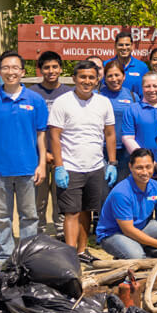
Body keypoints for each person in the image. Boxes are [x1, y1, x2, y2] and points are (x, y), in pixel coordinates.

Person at [0, 51, 48, 268]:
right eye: (6, 68)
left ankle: (26, 257)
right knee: (1, 217)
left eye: (15, 68)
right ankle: (4, 257)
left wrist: (42, 164)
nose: (10, 72)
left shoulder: (35, 100)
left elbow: (41, 135)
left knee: (29, 216)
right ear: (0, 72)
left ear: (22, 72)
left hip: (28, 169)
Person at [48, 61, 118, 264]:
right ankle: (70, 256)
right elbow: (54, 136)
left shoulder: (103, 102)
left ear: (97, 80)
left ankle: (82, 250)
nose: (86, 81)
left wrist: (111, 163)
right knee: (71, 212)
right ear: (74, 79)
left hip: (95, 166)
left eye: (91, 77)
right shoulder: (62, 102)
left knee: (87, 210)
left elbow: (110, 133)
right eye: (82, 77)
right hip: (70, 167)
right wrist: (59, 166)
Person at [95, 149, 157, 259]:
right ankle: (126, 250)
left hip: (140, 228)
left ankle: (135, 247)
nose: (145, 172)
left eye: (148, 167)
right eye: (139, 168)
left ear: (154, 165)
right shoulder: (121, 192)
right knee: (137, 256)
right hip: (114, 234)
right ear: (130, 166)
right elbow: (128, 230)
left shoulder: (156, 186)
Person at [27, 51, 72, 235]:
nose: (51, 71)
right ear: (40, 70)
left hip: (64, 153)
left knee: (61, 194)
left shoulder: (69, 93)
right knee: (39, 197)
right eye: (46, 67)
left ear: (61, 69)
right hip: (38, 155)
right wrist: (42, 152)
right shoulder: (31, 93)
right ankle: (38, 231)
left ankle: (61, 231)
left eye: (54, 67)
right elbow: (29, 126)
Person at [121, 71, 157, 181]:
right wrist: (146, 161)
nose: (152, 90)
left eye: (155, 86)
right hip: (141, 169)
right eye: (147, 86)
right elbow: (127, 138)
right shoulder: (132, 109)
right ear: (142, 87)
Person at [98, 60, 138, 181]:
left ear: (124, 76)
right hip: (102, 150)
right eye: (110, 75)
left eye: (117, 75)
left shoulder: (133, 96)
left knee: (122, 186)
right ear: (105, 78)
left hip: (126, 151)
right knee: (103, 189)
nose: (114, 79)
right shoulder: (97, 95)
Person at [105, 31, 149, 98]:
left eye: (127, 45)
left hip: (135, 106)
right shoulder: (106, 65)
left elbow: (146, 91)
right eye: (121, 45)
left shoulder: (142, 67)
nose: (124, 48)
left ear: (132, 46)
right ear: (115, 46)